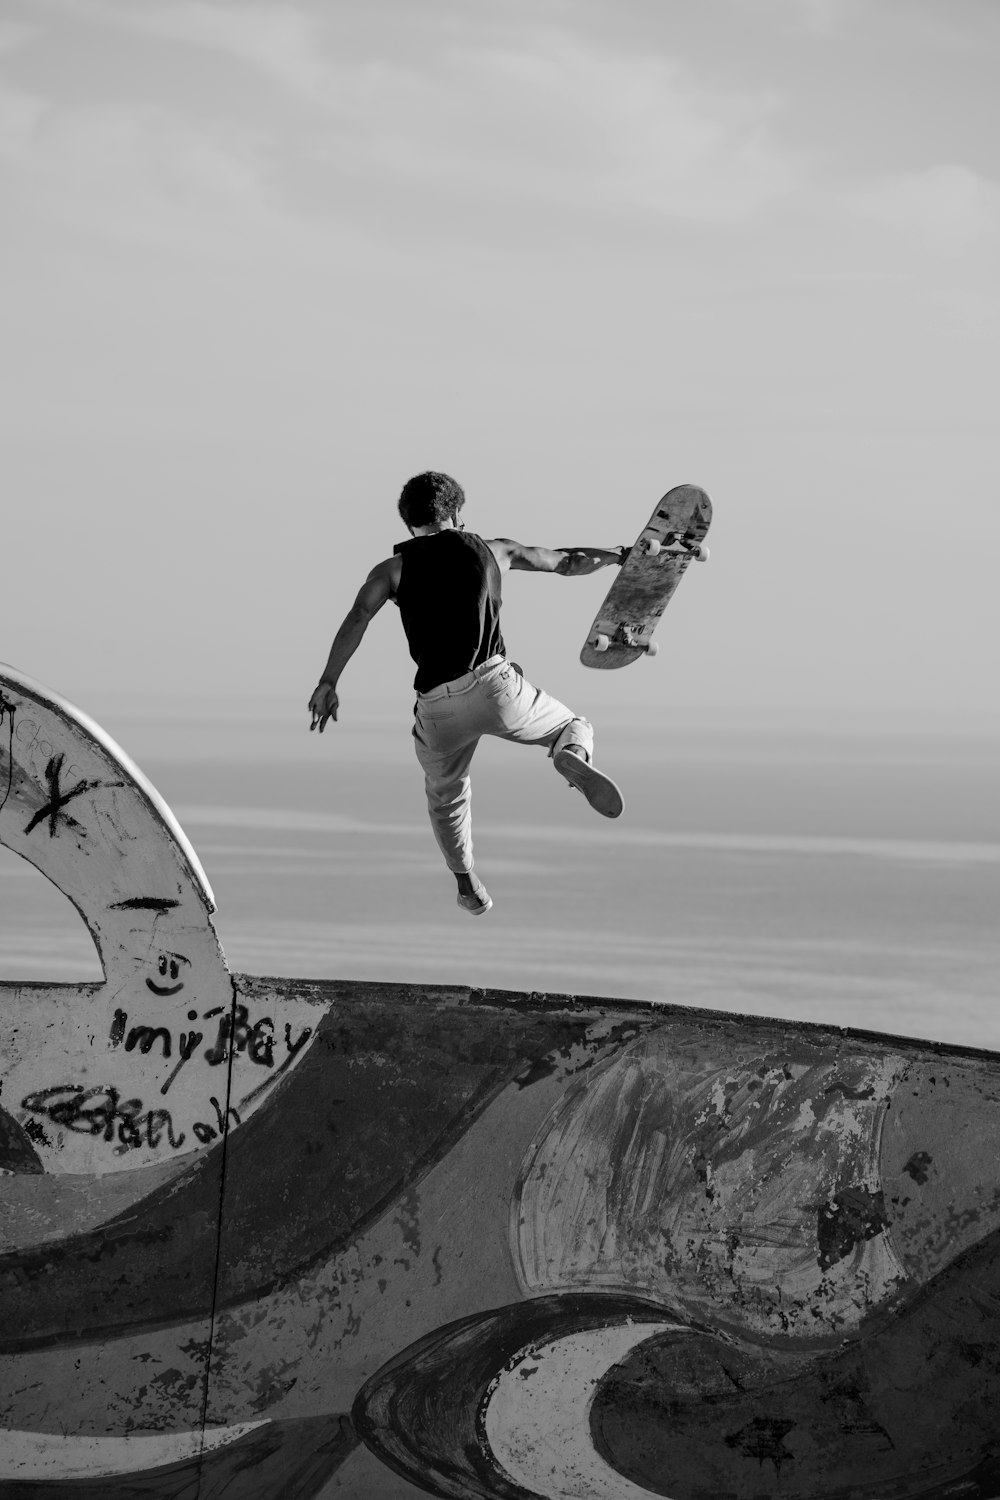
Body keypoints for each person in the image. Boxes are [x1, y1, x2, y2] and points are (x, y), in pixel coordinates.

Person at [308, 471, 627, 917]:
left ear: (408, 524)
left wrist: (329, 682)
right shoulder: (494, 550)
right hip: (496, 686)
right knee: (574, 725)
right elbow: (567, 560)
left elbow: (358, 616)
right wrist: (618, 556)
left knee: (446, 794)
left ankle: (467, 883)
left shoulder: (392, 570)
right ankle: (568, 754)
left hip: (438, 707)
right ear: (457, 513)